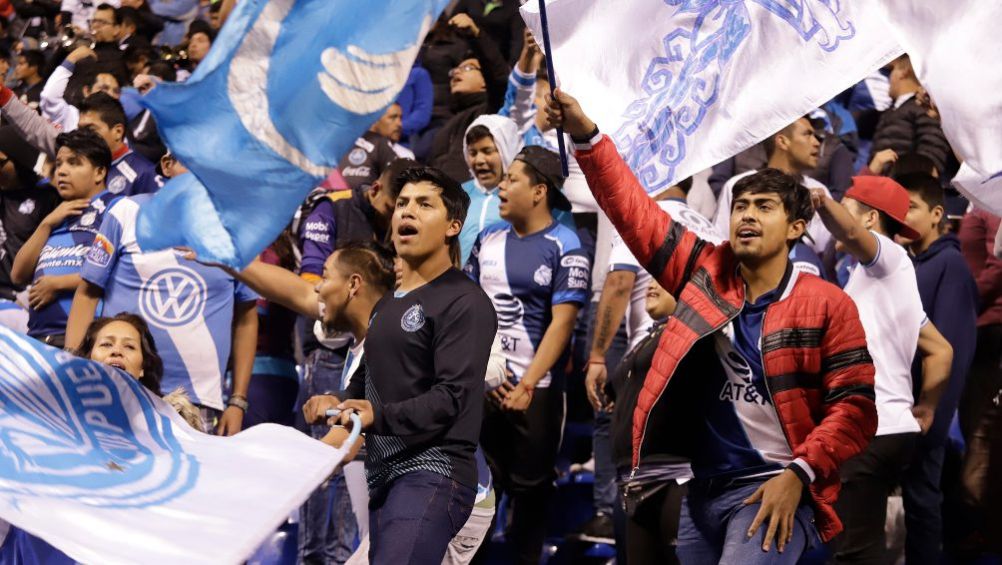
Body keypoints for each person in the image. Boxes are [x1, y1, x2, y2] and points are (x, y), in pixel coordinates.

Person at [545, 88, 879, 563]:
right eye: (741, 205)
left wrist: (800, 474)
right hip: (701, 491)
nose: (746, 214)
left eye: (764, 206)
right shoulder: (706, 276)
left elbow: (855, 407)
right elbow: (632, 211)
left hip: (774, 489)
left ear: (796, 228)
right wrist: (586, 134)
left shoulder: (827, 303)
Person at [331, 166, 497, 563]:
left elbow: (450, 398)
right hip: (387, 476)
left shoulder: (465, 302)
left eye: (425, 205)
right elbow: (369, 383)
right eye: (402, 203)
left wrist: (377, 416)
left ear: (453, 226)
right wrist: (338, 405)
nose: (407, 211)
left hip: (435, 473)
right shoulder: (389, 303)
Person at [808, 175, 954, 563]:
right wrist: (926, 407)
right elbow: (941, 350)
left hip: (872, 430)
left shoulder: (887, 256)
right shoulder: (887, 279)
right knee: (857, 546)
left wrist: (821, 201)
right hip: (891, 428)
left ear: (871, 218)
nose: (839, 213)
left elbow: (852, 232)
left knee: (853, 552)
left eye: (847, 203)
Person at [63, 151, 257, 436]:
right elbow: (87, 294)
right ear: (166, 165)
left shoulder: (237, 229)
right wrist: (73, 371)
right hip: (119, 387)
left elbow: (247, 317)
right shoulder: (126, 212)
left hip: (200, 400)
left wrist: (238, 401)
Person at [465, 146, 587, 564]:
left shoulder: (566, 243)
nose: (501, 184)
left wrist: (527, 384)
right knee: (476, 494)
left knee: (530, 498)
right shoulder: (485, 240)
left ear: (539, 191)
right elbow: (468, 316)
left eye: (512, 178)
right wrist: (485, 376)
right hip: (485, 389)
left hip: (538, 393)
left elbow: (563, 322)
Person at [895, 172, 979, 564]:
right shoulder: (907, 263)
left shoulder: (951, 266)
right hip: (900, 409)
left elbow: (954, 350)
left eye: (911, 208)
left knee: (923, 503)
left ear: (937, 213)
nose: (903, 216)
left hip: (925, 415)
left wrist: (934, 416)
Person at [10, 128, 119, 347]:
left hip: (87, 341)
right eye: (59, 164)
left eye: (74, 163)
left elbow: (120, 271)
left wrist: (58, 284)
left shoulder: (116, 209)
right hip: (38, 339)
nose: (62, 171)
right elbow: (18, 275)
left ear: (99, 172)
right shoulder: (56, 215)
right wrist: (46, 224)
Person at [606, 279, 689, 565]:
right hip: (635, 481)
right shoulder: (651, 335)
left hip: (674, 480)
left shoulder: (694, 337)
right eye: (650, 278)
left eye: (663, 280)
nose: (651, 285)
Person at [712, 116, 833, 267]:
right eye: (807, 134)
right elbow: (720, 243)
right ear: (782, 141)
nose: (816, 142)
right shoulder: (737, 185)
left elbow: (824, 254)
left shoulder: (822, 194)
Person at [956, 205, 1002, 551]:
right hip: (979, 323)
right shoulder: (978, 197)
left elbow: (999, 263)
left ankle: (985, 525)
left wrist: (964, 302)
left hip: (990, 326)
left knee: (983, 432)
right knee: (978, 430)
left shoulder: (993, 195)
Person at [428, 13, 509, 183]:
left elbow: (499, 78)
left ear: (484, 82)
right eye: (455, 69)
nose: (456, 72)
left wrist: (475, 35)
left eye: (468, 68)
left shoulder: (491, 112)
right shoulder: (448, 121)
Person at [0, 127, 60, 333]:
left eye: (1, 162)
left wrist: (26, 297)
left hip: (23, 304)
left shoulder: (48, 198)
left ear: (20, 160)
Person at [870, 55, 951, 177]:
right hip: (883, 187)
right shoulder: (893, 110)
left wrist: (913, 185)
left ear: (903, 72)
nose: (889, 77)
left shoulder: (924, 108)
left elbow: (932, 151)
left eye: (893, 70)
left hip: (905, 188)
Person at [458, 114, 522, 263]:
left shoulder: (524, 195)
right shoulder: (457, 195)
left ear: (507, 150)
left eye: (487, 151)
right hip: (461, 283)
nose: (479, 160)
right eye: (472, 153)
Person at [40, 45, 123, 131]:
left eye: (116, 91)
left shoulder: (119, 126)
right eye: (104, 88)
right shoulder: (71, 116)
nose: (111, 94)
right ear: (87, 91)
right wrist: (72, 59)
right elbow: (49, 96)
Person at [338, 110, 401, 192]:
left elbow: (397, 180)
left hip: (364, 202)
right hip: (328, 199)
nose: (399, 124)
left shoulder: (381, 143)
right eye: (392, 117)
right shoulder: (334, 141)